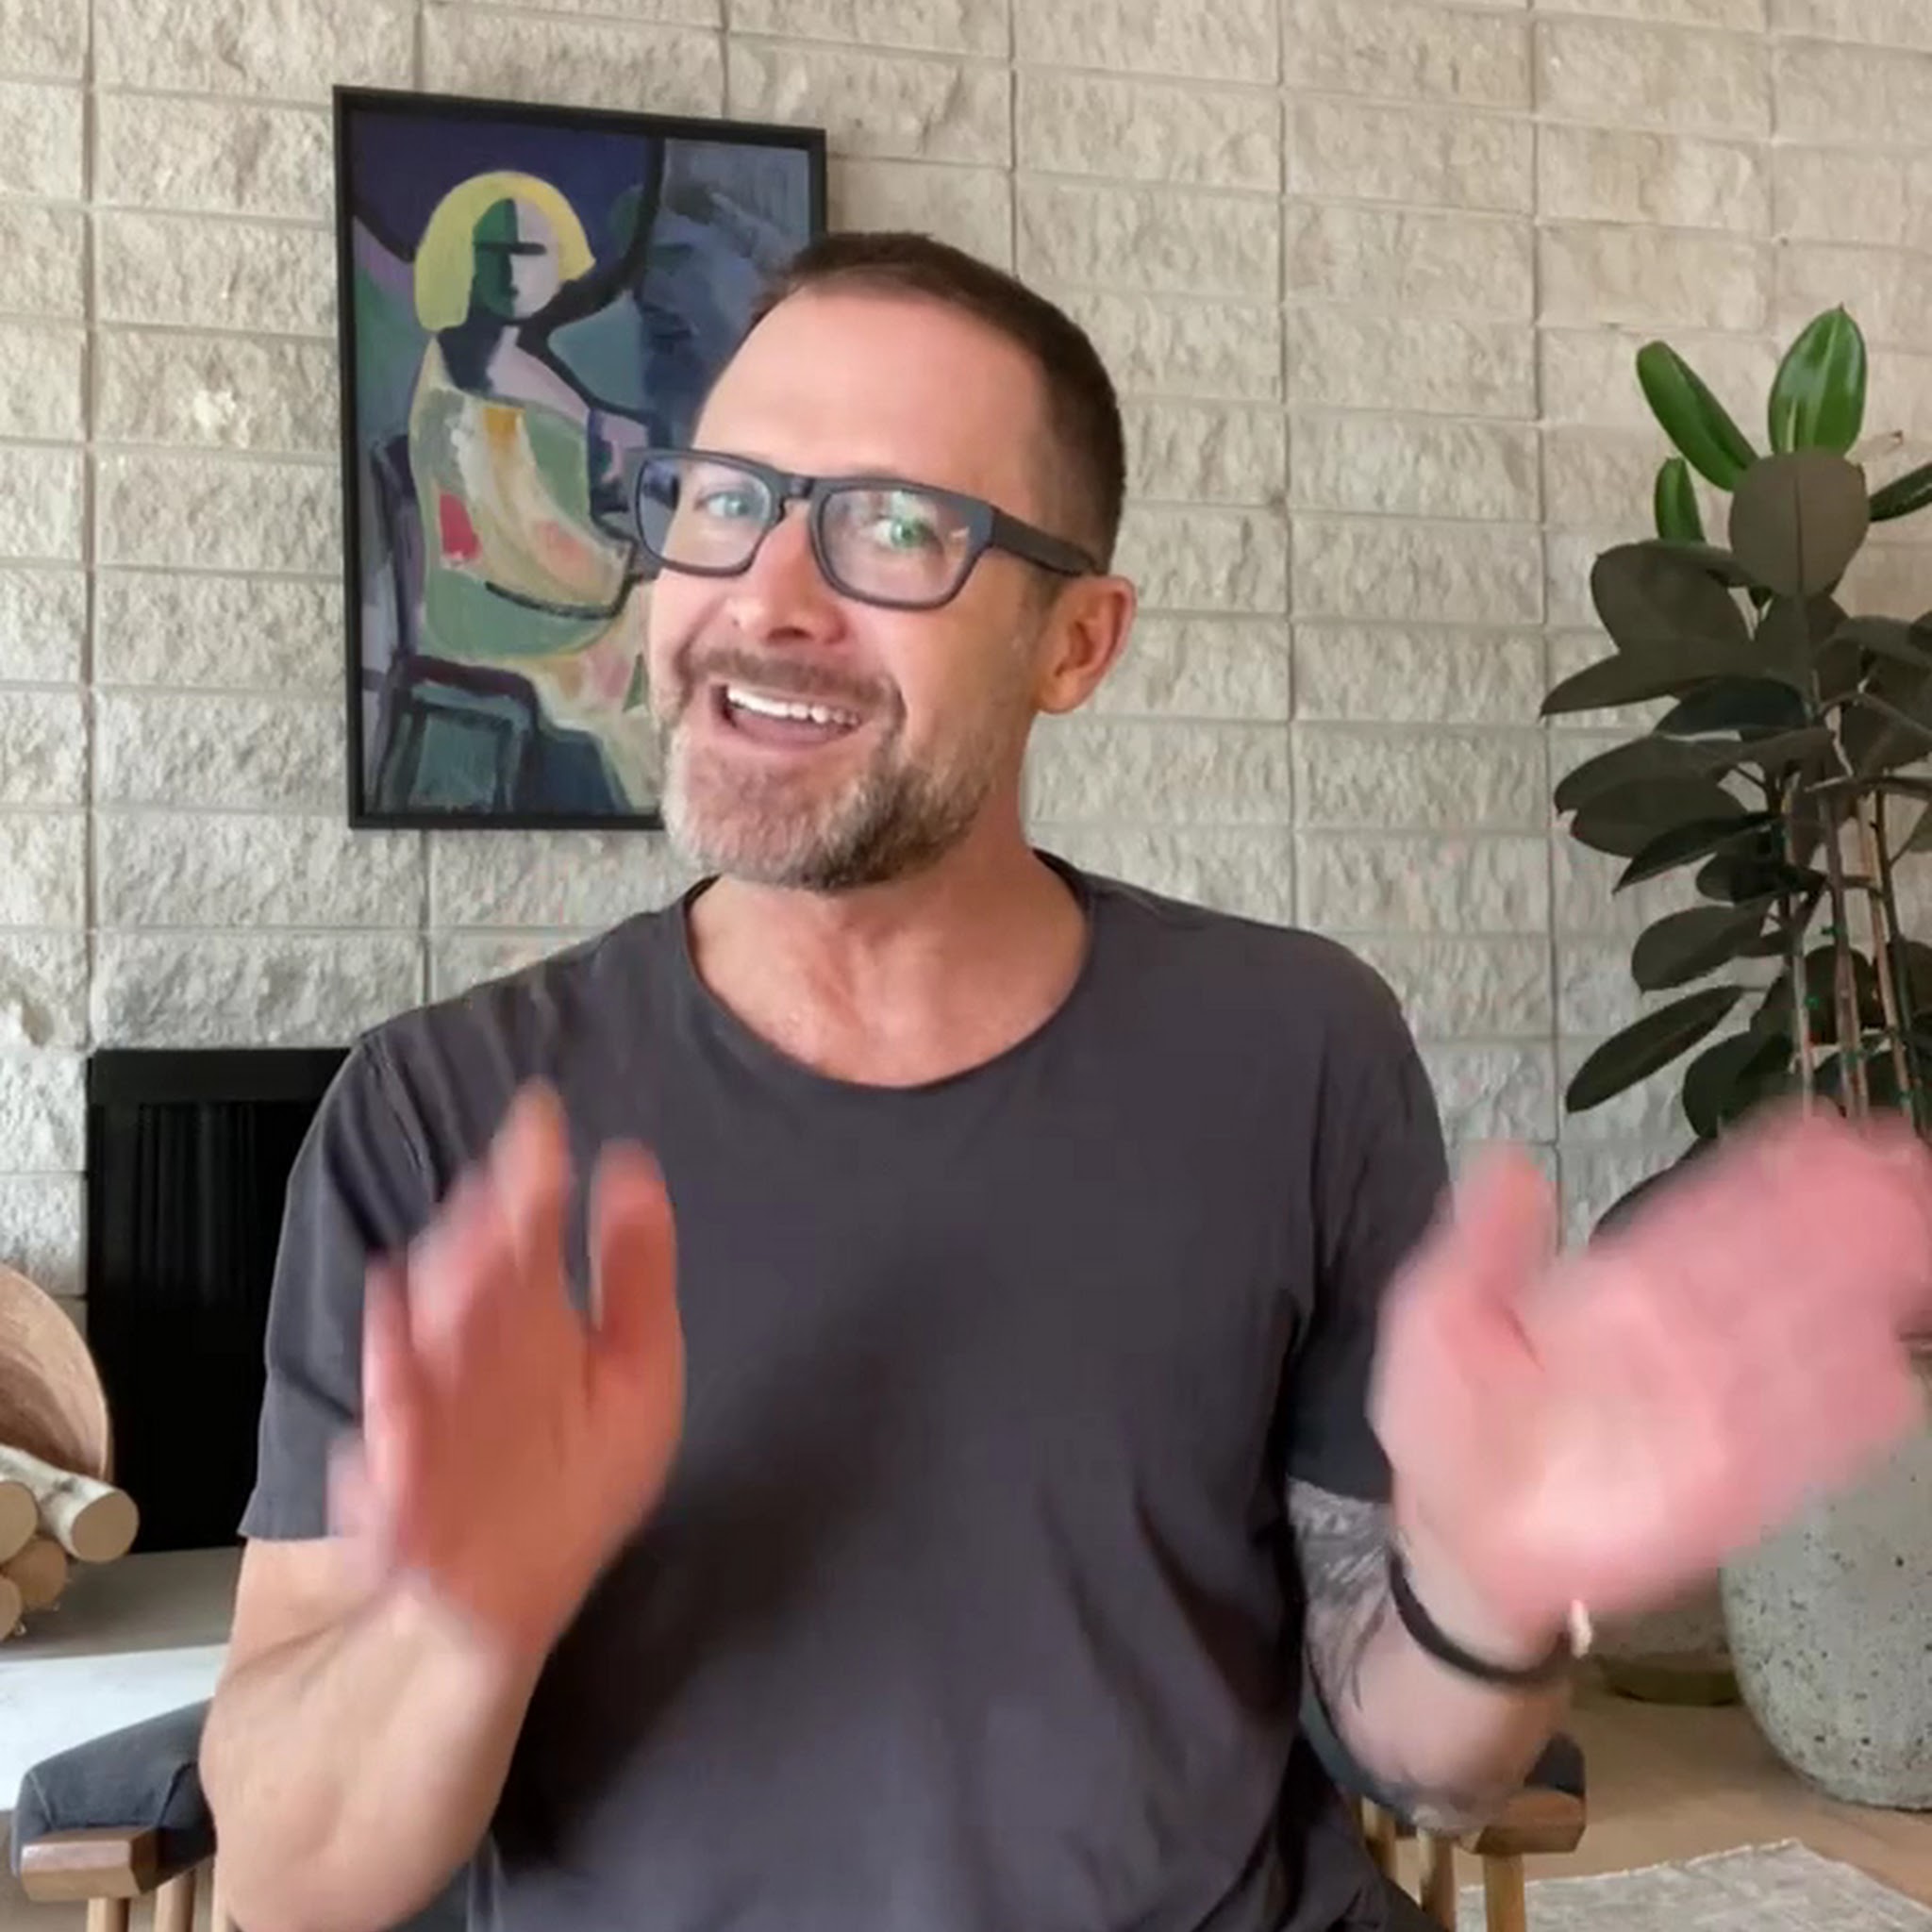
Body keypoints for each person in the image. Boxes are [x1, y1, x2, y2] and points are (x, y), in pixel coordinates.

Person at [200, 231, 1932, 1932]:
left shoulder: (1295, 1048)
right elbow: (285, 1886)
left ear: (1076, 644)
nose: (766, 596)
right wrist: (459, 1623)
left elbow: (1432, 1762)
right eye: (724, 499)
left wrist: (1488, 1595)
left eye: (897, 528)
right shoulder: (442, 1116)